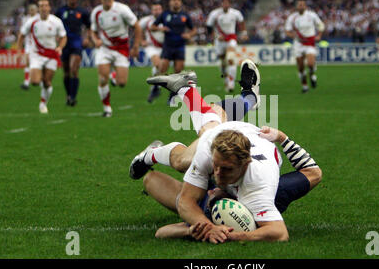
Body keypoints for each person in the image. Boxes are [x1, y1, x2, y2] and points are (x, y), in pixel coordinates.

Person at [130, 60, 322, 243]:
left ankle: (204, 94)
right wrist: (282, 138)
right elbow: (313, 173)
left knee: (210, 122)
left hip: (237, 143)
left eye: (226, 169)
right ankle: (238, 96)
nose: (217, 175)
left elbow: (174, 213)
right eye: (216, 167)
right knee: (194, 147)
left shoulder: (256, 190)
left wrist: (204, 227)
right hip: (238, 136)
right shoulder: (212, 151)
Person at [90, 0, 142, 117]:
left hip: (121, 49)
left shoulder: (122, 9)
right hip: (105, 48)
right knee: (102, 78)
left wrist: (136, 46)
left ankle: (114, 76)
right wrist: (95, 40)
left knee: (122, 83)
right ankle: (107, 108)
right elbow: (93, 30)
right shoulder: (96, 12)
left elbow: (137, 27)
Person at [16, 0, 67, 114]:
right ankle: (39, 81)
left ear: (49, 8)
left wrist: (60, 47)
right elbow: (21, 35)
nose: (44, 8)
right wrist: (19, 51)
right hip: (36, 54)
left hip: (51, 55)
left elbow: (64, 36)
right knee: (34, 81)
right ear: (39, 9)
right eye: (41, 6)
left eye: (46, 6)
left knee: (47, 82)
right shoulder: (32, 21)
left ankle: (43, 103)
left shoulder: (56, 21)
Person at [149, 0, 196, 105]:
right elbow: (152, 27)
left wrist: (189, 35)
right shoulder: (164, 15)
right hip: (168, 46)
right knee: (163, 69)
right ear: (170, 2)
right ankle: (155, 88)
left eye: (178, 0)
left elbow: (193, 29)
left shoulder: (185, 16)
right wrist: (161, 28)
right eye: (173, 0)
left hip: (180, 47)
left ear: (180, 2)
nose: (176, 2)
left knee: (177, 73)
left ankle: (171, 97)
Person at [206, 0, 248, 92]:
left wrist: (244, 33)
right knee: (223, 63)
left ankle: (231, 84)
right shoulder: (215, 14)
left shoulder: (235, 13)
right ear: (221, 4)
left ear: (229, 4)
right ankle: (226, 79)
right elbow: (209, 27)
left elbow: (241, 22)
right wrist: (216, 36)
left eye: (227, 3)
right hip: (220, 41)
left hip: (231, 39)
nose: (225, 5)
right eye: (224, 3)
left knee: (230, 59)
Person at [55, 0, 91, 106]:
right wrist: (56, 38)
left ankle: (73, 97)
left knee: (73, 69)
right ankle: (68, 95)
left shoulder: (82, 12)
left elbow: (89, 27)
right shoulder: (60, 11)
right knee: (66, 72)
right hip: (64, 43)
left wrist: (86, 38)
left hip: (76, 43)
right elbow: (53, 25)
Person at [285, 0, 325, 93]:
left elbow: (321, 25)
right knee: (301, 67)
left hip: (310, 42)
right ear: (297, 7)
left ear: (305, 6)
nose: (301, 6)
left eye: (302, 5)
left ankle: (312, 75)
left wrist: (319, 35)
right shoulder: (292, 17)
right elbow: (287, 30)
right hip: (298, 44)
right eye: (299, 5)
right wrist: (293, 36)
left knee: (310, 64)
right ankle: (305, 86)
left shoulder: (312, 15)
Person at [139, 3, 165, 103]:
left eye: (158, 9)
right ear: (151, 11)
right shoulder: (146, 21)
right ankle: (156, 87)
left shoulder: (166, 19)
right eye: (155, 9)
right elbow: (138, 29)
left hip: (165, 47)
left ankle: (155, 87)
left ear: (161, 10)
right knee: (158, 64)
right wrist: (142, 41)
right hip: (152, 47)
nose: (157, 11)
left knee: (160, 68)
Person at [20, 3, 38, 90]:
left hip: (36, 44)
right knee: (27, 62)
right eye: (30, 10)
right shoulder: (25, 19)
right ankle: (26, 82)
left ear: (36, 10)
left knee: (34, 64)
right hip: (28, 44)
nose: (31, 11)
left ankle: (35, 80)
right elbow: (22, 32)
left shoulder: (38, 18)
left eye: (33, 10)